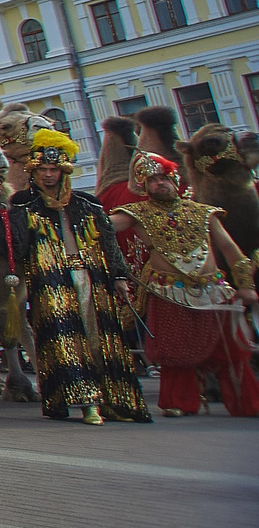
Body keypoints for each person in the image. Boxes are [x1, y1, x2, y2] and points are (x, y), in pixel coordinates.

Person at [7, 130, 148, 424]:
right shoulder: (22, 204)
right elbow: (19, 248)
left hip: (93, 277)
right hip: (50, 282)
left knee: (101, 338)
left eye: (54, 170)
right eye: (43, 170)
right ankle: (86, 402)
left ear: (64, 171)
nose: (49, 176)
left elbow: (109, 244)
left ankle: (112, 399)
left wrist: (120, 277)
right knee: (65, 339)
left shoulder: (87, 203)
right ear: (33, 171)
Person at [108, 152, 259, 417]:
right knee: (174, 350)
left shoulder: (203, 211)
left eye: (163, 178)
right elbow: (105, 227)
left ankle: (246, 402)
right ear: (143, 186)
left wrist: (246, 285)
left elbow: (230, 249)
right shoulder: (136, 212)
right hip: (168, 291)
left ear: (174, 178)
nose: (159, 183)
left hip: (214, 289)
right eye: (152, 180)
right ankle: (179, 401)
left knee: (231, 351)